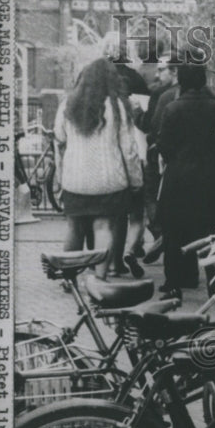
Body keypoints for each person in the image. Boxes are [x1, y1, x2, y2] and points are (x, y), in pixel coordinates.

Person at [53, 57, 143, 280]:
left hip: (75, 179)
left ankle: (69, 276)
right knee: (103, 228)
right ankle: (100, 277)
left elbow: (59, 136)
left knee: (74, 228)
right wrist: (136, 180)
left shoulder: (67, 105)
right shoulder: (118, 106)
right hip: (108, 180)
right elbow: (129, 149)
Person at [157, 54, 215, 300]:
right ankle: (213, 281)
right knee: (209, 230)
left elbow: (164, 145)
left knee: (175, 229)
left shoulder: (172, 108)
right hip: (212, 177)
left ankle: (175, 282)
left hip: (179, 177)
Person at [138, 52, 182, 264]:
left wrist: (137, 112)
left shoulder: (162, 95)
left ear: (174, 71)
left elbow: (151, 126)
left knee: (152, 195)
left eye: (162, 70)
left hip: (159, 155)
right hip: (184, 160)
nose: (157, 74)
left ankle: (160, 234)